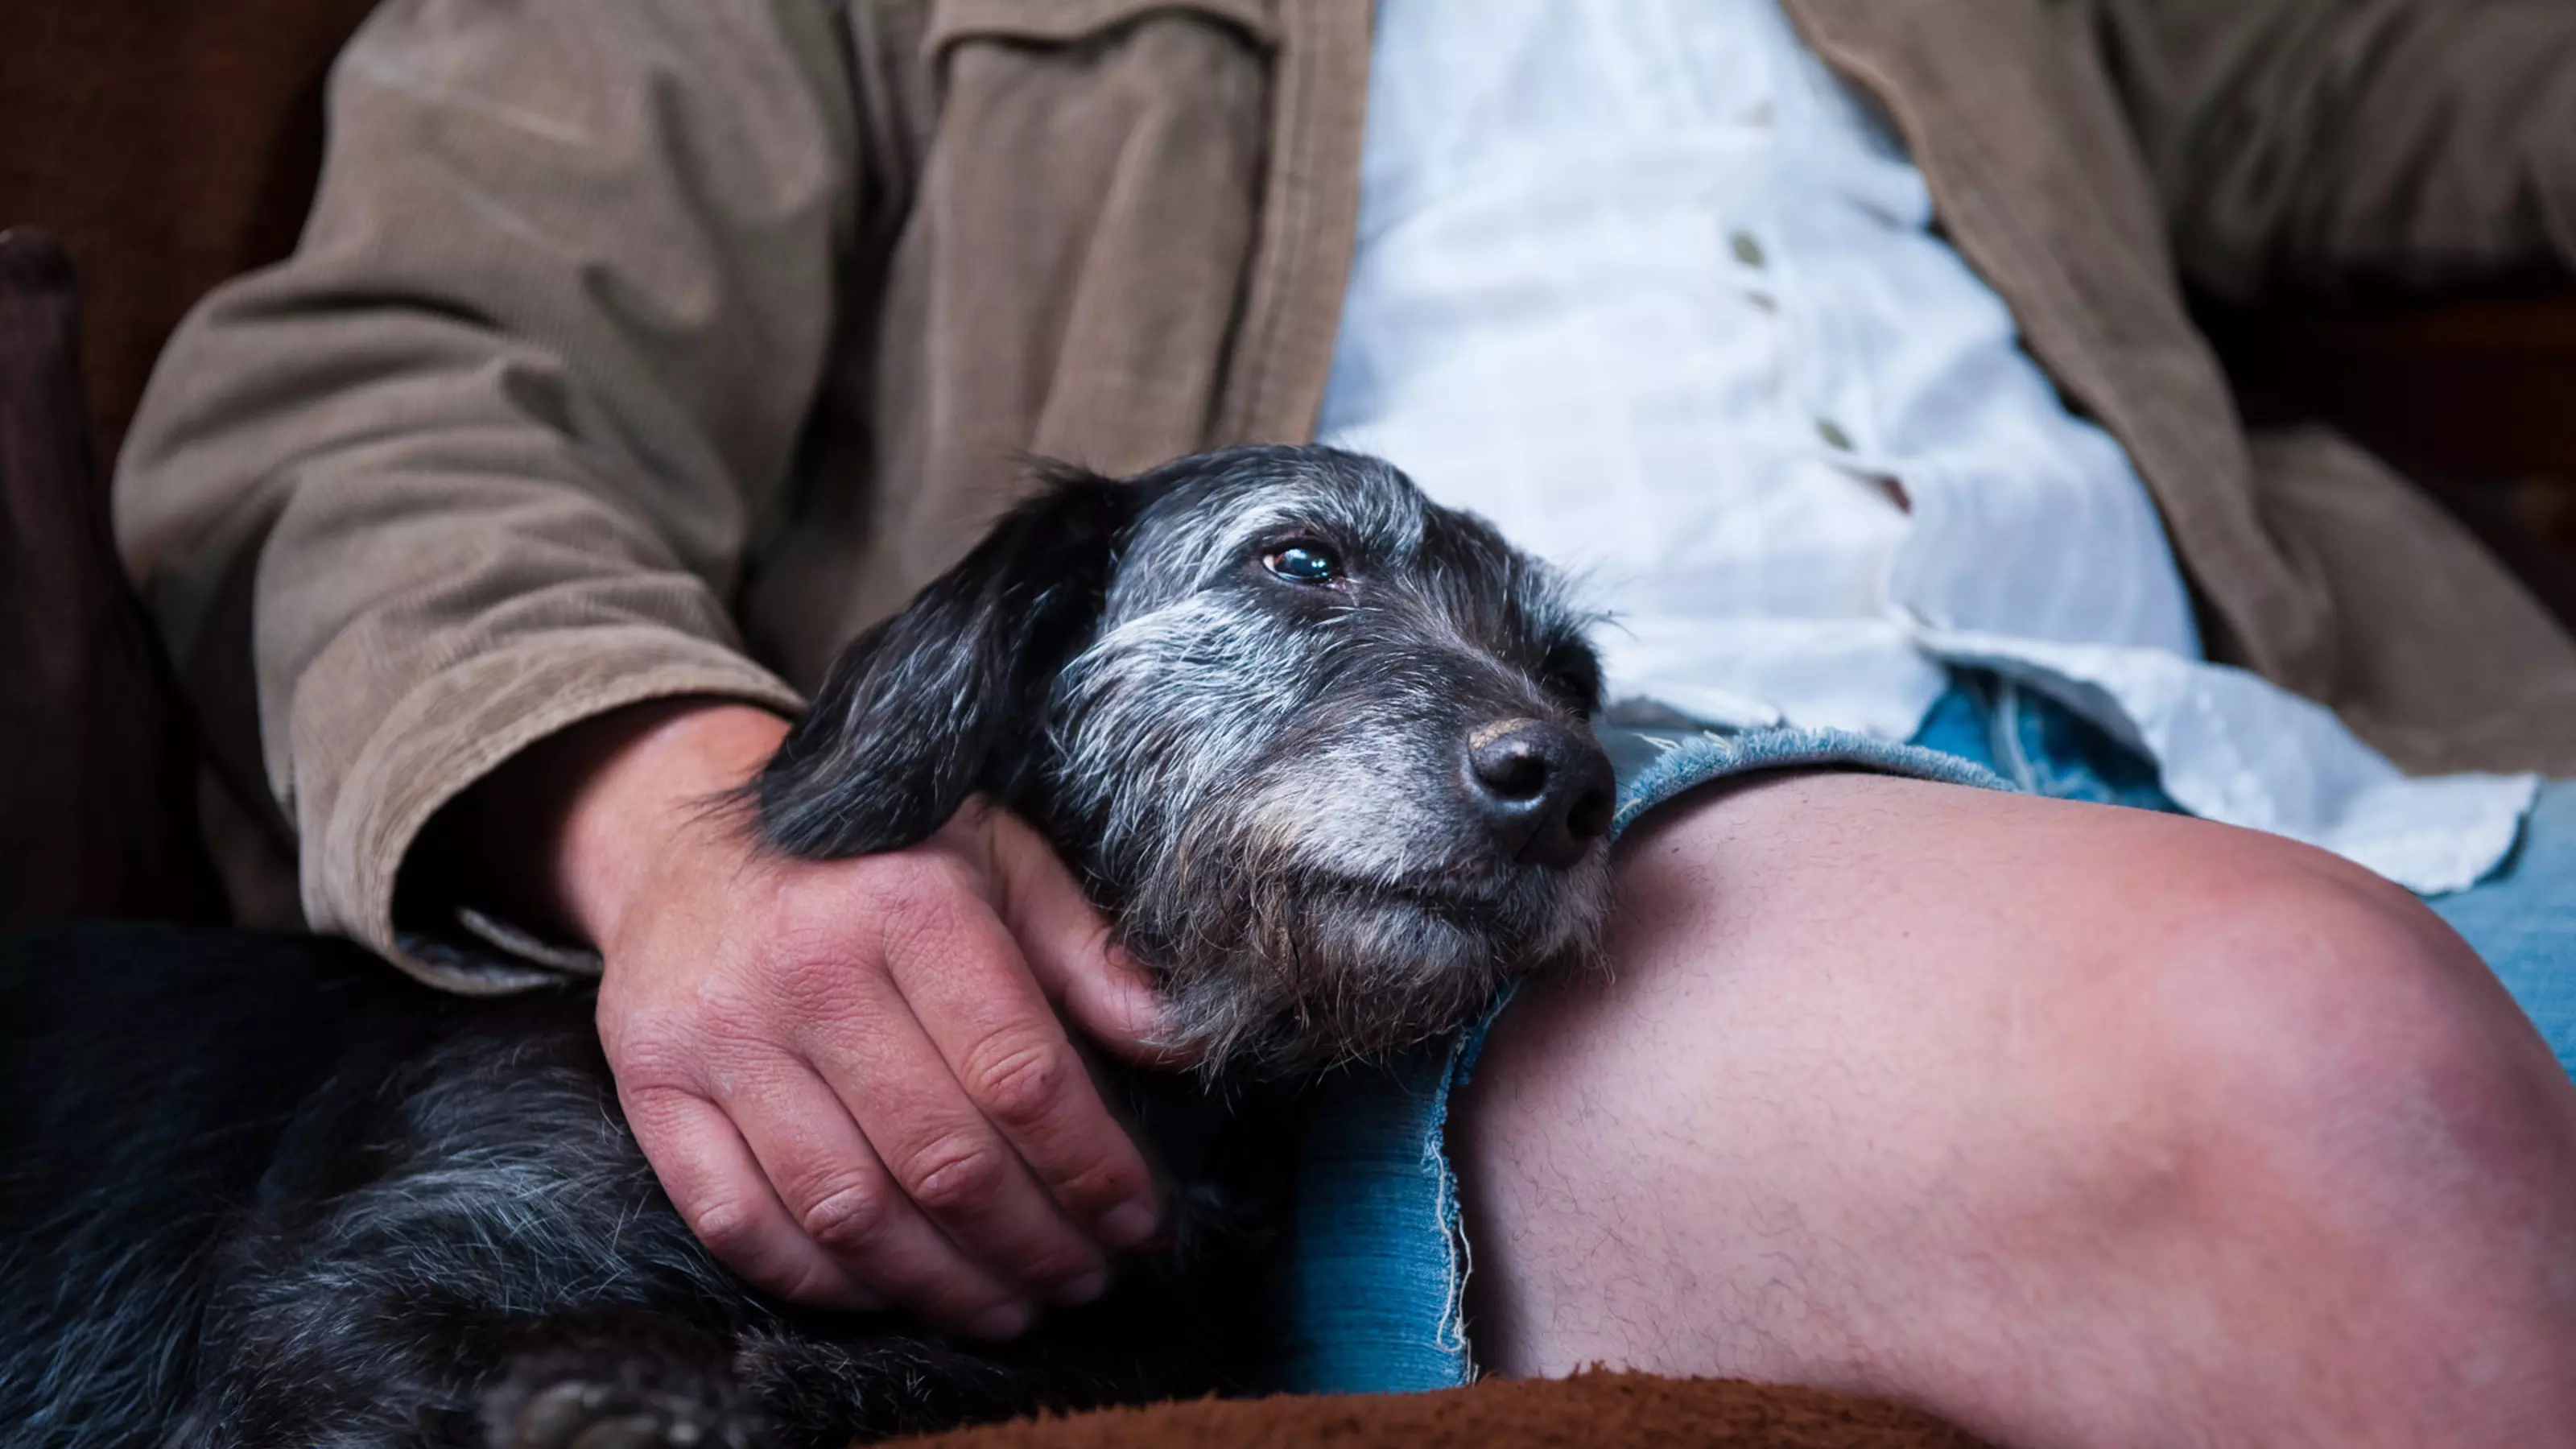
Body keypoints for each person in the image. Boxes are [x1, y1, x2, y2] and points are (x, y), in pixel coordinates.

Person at [114, 0, 2576, 1442]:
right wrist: (693, 827)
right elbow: (374, 401)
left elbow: (2414, 69)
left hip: (2335, 762)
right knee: (2304, 1071)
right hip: (1607, 875)